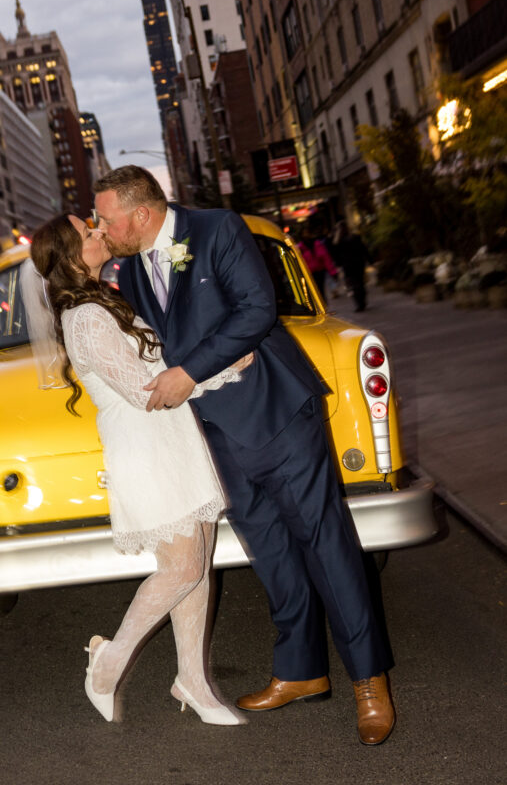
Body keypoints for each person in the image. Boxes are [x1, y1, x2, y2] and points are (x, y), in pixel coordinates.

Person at [93, 166, 395, 746]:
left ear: (141, 214)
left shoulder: (218, 230)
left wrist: (190, 370)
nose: (103, 229)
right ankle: (301, 671)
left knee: (325, 543)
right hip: (212, 435)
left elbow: (256, 310)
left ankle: (368, 680)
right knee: (271, 553)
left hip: (277, 414)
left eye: (106, 218)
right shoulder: (127, 271)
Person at [27, 213, 248, 726]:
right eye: (87, 232)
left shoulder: (104, 299)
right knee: (182, 567)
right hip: (144, 443)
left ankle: (192, 680)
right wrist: (222, 368)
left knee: (199, 559)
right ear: (69, 257)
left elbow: (158, 372)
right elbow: (146, 392)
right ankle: (109, 661)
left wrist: (212, 369)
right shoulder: (83, 317)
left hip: (173, 436)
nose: (98, 231)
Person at [333, 221, 371, 313]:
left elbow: (336, 255)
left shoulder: (338, 241)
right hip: (358, 263)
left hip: (348, 266)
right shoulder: (355, 237)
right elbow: (363, 249)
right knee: (360, 282)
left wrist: (338, 265)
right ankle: (362, 301)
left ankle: (359, 303)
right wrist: (370, 260)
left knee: (353, 284)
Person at [297, 226, 338, 300]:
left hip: (320, 271)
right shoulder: (300, 247)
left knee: (320, 289)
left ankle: (323, 303)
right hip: (310, 273)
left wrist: (332, 271)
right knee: (315, 290)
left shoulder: (316, 244)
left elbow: (326, 257)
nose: (306, 235)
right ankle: (321, 303)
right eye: (304, 233)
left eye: (307, 233)